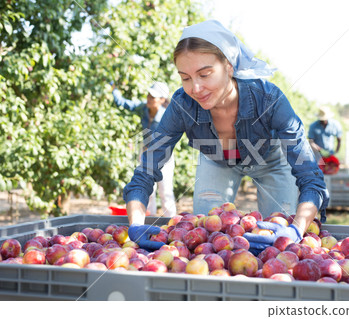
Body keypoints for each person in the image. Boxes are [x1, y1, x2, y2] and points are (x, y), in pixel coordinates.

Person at [124, 20, 329, 253]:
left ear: (229, 67)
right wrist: (136, 224)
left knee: (278, 231)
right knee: (207, 237)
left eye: (205, 74)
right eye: (186, 77)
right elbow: (146, 170)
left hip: (270, 161)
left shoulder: (268, 99)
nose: (195, 88)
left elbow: (310, 176)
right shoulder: (182, 105)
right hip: (217, 161)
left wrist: (296, 228)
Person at [111, 81, 177, 217]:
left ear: (162, 99)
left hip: (163, 155)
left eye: (153, 97)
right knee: (148, 189)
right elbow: (124, 103)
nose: (149, 98)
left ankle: (172, 223)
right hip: (146, 154)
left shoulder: (167, 115)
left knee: (165, 191)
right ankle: (148, 218)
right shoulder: (144, 108)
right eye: (148, 95)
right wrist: (114, 90)